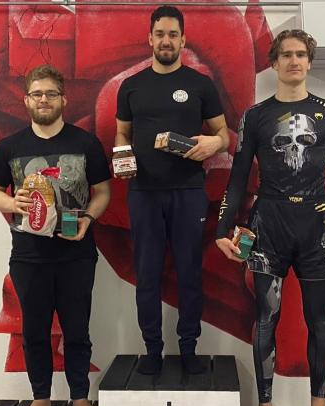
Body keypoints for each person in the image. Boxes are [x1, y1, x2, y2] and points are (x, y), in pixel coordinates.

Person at [215, 30, 325, 406]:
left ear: (309, 62)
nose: (294, 61)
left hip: (317, 226)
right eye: (286, 55)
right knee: (266, 317)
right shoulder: (255, 117)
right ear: (274, 63)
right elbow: (237, 179)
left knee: (319, 321)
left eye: (300, 55)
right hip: (270, 225)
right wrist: (222, 229)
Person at [0, 65, 111, 406]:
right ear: (26, 100)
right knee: (35, 331)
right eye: (37, 94)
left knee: (77, 330)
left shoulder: (85, 143)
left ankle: (79, 398)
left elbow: (103, 191)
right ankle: (40, 399)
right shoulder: (10, 147)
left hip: (76, 255)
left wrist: (88, 219)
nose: (44, 99)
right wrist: (12, 203)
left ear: (63, 100)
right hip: (29, 256)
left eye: (51, 93)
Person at [114, 5, 229, 375]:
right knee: (147, 275)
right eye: (160, 34)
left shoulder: (200, 84)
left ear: (183, 39)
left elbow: (223, 134)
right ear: (150, 38)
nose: (166, 40)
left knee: (189, 272)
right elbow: (122, 133)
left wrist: (215, 143)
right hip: (144, 193)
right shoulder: (131, 86)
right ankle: (152, 350)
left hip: (188, 192)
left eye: (173, 35)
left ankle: (189, 348)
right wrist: (122, 157)